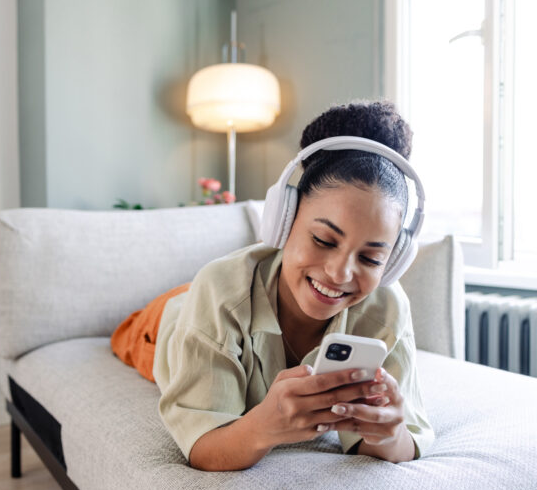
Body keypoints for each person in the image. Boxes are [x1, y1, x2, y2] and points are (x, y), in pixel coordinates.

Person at [111, 100, 434, 471]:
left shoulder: (387, 308)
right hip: (168, 323)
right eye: (325, 240)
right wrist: (264, 427)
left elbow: (401, 442)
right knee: (126, 332)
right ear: (283, 219)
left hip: (218, 301)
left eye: (371, 259)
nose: (340, 273)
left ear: (393, 262)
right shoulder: (219, 289)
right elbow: (203, 447)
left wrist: (389, 433)